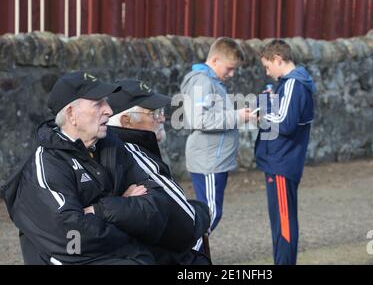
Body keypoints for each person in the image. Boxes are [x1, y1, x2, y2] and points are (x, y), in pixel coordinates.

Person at [1, 72, 209, 265]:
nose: (109, 110)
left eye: (106, 102)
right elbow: (72, 236)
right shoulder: (46, 164)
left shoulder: (111, 147)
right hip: (79, 257)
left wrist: (101, 210)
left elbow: (158, 204)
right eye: (98, 103)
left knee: (193, 260)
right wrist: (128, 215)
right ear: (71, 114)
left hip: (125, 250)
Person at [107, 79, 210, 264]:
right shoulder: (132, 152)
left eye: (161, 112)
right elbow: (187, 219)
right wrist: (203, 212)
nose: (162, 118)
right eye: (154, 113)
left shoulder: (118, 147)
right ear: (126, 120)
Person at [180, 37, 254, 250]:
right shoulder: (202, 82)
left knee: (208, 214)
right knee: (209, 215)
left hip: (214, 159)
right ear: (214, 60)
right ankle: (186, 255)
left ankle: (193, 255)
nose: (232, 74)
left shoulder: (211, 82)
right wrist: (238, 116)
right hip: (209, 161)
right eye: (230, 68)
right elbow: (199, 119)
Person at [254, 40, 316, 265]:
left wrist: (259, 115)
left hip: (282, 163)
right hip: (280, 162)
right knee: (281, 223)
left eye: (267, 65)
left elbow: (285, 122)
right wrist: (267, 100)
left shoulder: (292, 84)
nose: (266, 71)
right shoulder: (288, 84)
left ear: (278, 59)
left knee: (284, 225)